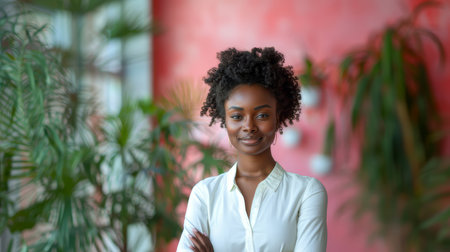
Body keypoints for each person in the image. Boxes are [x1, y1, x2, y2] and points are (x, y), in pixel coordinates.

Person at [176, 47, 327, 252]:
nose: (249, 126)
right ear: (225, 120)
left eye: (262, 115)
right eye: (237, 116)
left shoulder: (306, 193)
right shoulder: (205, 195)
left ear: (278, 116)